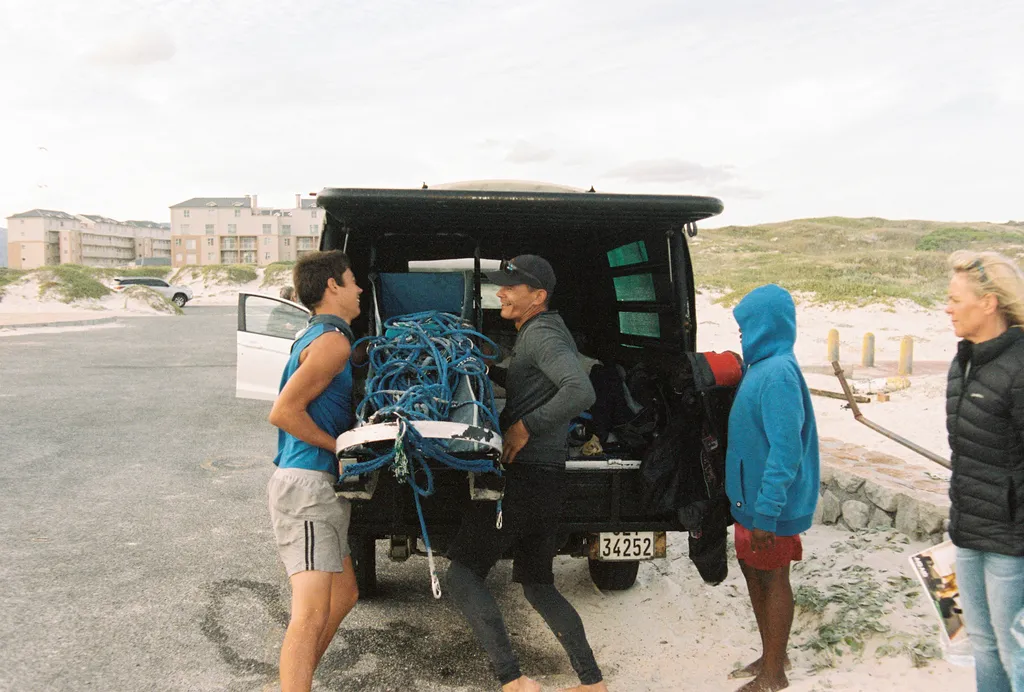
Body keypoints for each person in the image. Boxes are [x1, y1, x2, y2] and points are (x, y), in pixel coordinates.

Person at [445, 255, 607, 692]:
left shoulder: (544, 334)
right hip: (547, 481)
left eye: (511, 287)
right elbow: (534, 383)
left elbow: (580, 389)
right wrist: (487, 369)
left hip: (525, 478)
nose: (500, 292)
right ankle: (592, 683)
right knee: (538, 584)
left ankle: (513, 679)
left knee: (461, 574)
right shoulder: (539, 333)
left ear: (538, 296)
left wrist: (523, 426)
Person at [266, 251, 363, 692]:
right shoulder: (332, 342)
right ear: (332, 286)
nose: (360, 289)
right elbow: (283, 413)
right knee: (309, 613)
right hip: (307, 485)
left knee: (344, 596)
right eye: (353, 280)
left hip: (318, 487)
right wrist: (340, 447)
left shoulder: (319, 335)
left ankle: (295, 680)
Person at [725, 284, 819, 692]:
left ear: (768, 324)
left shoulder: (779, 372)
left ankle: (774, 674)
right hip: (752, 502)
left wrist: (767, 512)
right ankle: (771, 655)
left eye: (748, 326)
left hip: (769, 507)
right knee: (753, 573)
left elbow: (787, 450)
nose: (743, 336)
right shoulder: (761, 367)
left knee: (773, 578)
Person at [944, 250, 1024, 692]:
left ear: (989, 303)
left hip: (1012, 545)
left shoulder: (1020, 365)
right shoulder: (964, 361)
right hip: (970, 532)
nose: (948, 307)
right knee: (982, 645)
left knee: (1017, 652)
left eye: (956, 299)